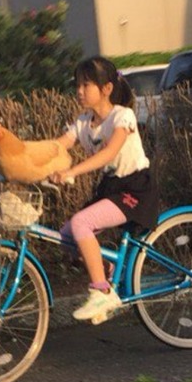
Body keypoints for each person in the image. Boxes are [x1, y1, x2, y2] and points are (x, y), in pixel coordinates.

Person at [51, 56, 158, 325]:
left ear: (106, 88)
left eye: (86, 85)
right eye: (77, 85)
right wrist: (24, 163)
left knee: (81, 223)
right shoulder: (83, 122)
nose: (79, 91)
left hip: (135, 189)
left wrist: (72, 172)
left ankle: (102, 292)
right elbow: (56, 147)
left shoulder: (122, 116)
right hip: (111, 188)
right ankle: (108, 272)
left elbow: (109, 152)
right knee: (66, 236)